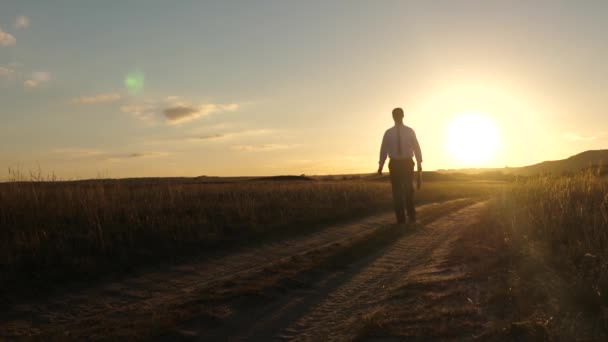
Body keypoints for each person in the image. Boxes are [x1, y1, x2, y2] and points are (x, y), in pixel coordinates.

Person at [377, 107, 423, 225]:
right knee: (396, 192)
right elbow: (383, 149)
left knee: (408, 190)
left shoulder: (409, 131)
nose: (397, 116)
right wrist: (380, 165)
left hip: (407, 162)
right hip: (395, 164)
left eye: (399, 114)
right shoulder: (388, 133)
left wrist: (419, 163)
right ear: (393, 117)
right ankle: (400, 219)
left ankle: (411, 215)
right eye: (395, 115)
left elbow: (417, 147)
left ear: (402, 115)